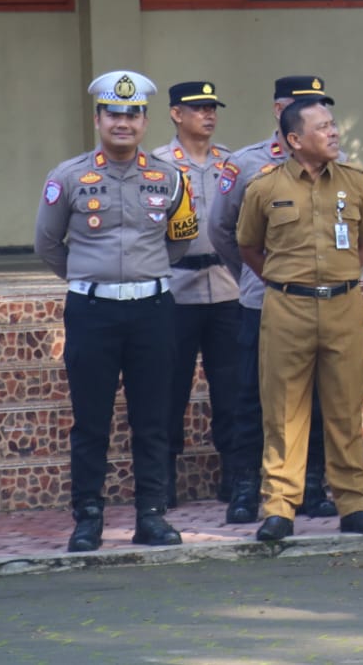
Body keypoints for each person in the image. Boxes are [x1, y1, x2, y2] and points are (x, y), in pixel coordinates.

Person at [35, 70, 196, 552]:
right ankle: (88, 517)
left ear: (145, 121)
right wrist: (92, 278)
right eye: (114, 113)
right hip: (91, 312)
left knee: (152, 417)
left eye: (132, 114)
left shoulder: (169, 177)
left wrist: (143, 276)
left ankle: (151, 514)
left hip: (152, 309)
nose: (122, 122)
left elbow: (182, 238)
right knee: (91, 420)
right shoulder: (68, 176)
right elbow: (47, 243)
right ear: (98, 117)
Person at [236, 97, 363, 542]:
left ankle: (353, 504)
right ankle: (280, 508)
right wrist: (286, 282)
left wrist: (338, 278)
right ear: (294, 139)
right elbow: (248, 247)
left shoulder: (355, 182)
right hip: (288, 308)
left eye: (334, 124)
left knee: (345, 408)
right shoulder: (264, 188)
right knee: (284, 411)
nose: (334, 132)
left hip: (343, 305)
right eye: (323, 127)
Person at [209, 76, 336, 524]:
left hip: (320, 303)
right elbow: (223, 231)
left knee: (317, 398)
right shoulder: (246, 165)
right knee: (252, 397)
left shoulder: (335, 166)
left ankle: (313, 486)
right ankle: (246, 489)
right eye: (306, 107)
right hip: (262, 303)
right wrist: (258, 273)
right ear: (279, 110)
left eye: (323, 109)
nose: (320, 118)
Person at [160, 80, 242, 508]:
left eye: (212, 107)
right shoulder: (157, 164)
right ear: (176, 114)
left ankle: (234, 474)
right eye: (197, 109)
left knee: (230, 385)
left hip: (226, 289)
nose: (208, 115)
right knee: (169, 387)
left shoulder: (230, 162)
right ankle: (164, 477)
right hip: (176, 291)